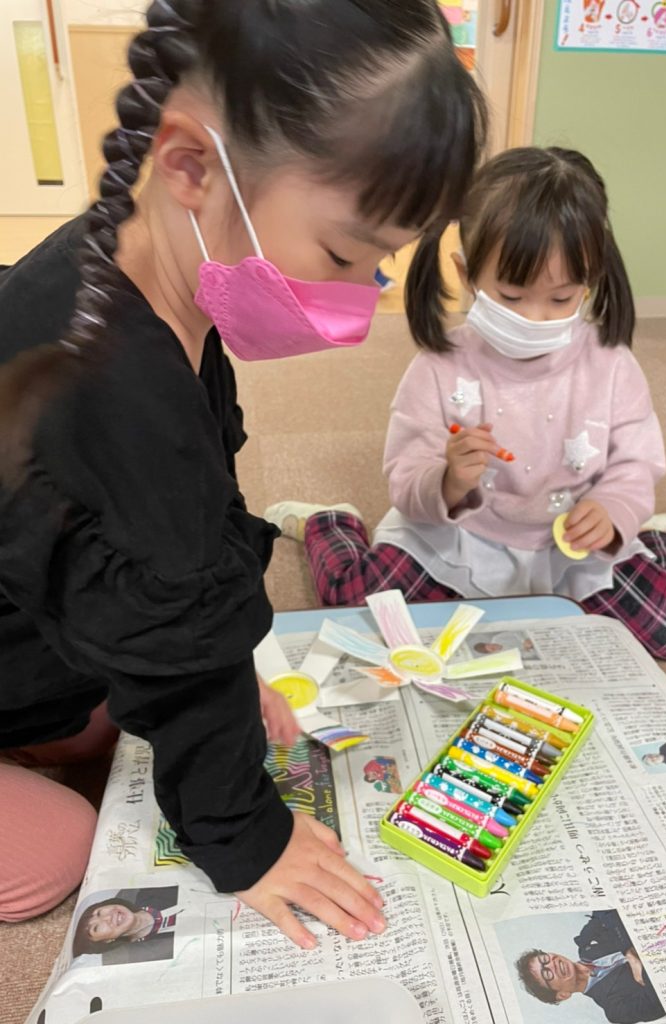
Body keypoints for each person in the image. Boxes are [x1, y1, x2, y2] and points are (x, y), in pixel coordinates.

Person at [0, 0, 486, 949]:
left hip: (28, 618)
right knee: (59, 850)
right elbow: (163, 621)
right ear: (189, 165)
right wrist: (245, 838)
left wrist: (223, 668)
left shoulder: (148, 266)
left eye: (379, 263)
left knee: (145, 715)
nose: (357, 296)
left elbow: (180, 548)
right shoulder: (112, 385)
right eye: (345, 254)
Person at [267, 147, 666, 661]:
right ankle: (330, 522)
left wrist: (615, 511)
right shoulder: (440, 365)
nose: (537, 318)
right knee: (360, 607)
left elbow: (636, 463)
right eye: (513, 296)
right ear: (466, 273)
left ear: (589, 282)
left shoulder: (610, 363)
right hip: (463, 540)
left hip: (568, 547)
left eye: (562, 299)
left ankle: (665, 541)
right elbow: (406, 474)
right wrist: (449, 481)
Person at [516, 910, 665, 1023]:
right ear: (563, 995)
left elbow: (606, 909)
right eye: (547, 973)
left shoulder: (585, 942)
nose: (552, 963)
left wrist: (629, 952)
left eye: (544, 958)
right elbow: (663, 1001)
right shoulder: (615, 1010)